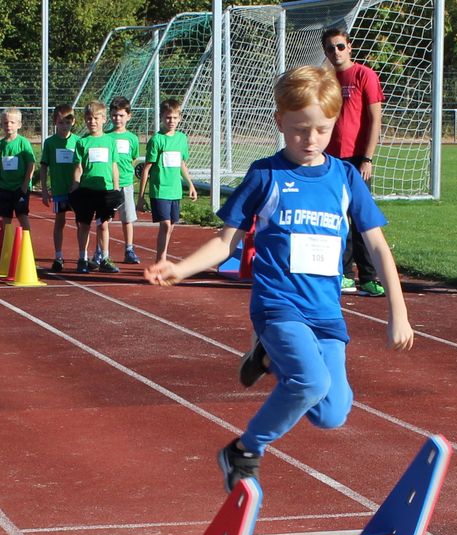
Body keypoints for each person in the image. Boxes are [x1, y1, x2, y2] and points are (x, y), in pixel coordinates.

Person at [144, 65, 414, 493]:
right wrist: (180, 268)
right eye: (299, 130)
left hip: (326, 312)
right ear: (279, 122)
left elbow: (378, 247)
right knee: (311, 382)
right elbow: (225, 243)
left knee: (332, 413)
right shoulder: (266, 175)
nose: (311, 140)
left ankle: (268, 358)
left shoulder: (345, 178)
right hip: (278, 306)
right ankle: (244, 451)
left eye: (322, 130)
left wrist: (398, 313)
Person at [322, 26, 385, 297]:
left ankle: (369, 277)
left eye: (340, 46)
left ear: (349, 47)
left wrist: (367, 158)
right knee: (338, 217)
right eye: (330, 48)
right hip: (331, 159)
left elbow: (375, 120)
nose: (336, 52)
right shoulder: (326, 80)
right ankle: (345, 274)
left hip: (357, 159)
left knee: (361, 218)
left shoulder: (364, 75)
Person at [136, 98, 197, 262]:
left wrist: (190, 184)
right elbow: (147, 168)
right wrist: (141, 197)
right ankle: (160, 260)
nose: (171, 121)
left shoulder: (181, 139)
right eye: (168, 117)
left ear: (180, 118)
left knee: (171, 226)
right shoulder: (157, 140)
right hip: (160, 190)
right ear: (162, 117)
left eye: (175, 118)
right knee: (165, 224)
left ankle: (161, 258)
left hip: (175, 190)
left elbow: (182, 164)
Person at [69, 100, 122, 274]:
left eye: (96, 118)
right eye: (89, 118)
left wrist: (116, 188)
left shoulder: (110, 141)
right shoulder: (82, 142)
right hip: (86, 190)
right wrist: (75, 186)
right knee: (84, 225)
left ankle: (104, 258)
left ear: (104, 119)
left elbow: (114, 166)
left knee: (103, 225)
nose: (92, 122)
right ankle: (82, 258)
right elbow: (78, 167)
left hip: (105, 190)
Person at [91, 96, 141, 267]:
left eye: (121, 115)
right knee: (103, 221)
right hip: (108, 184)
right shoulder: (106, 137)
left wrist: (124, 174)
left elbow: (133, 158)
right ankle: (99, 251)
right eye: (114, 115)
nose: (117, 119)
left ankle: (129, 249)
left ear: (128, 116)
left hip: (125, 183)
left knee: (127, 218)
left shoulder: (132, 138)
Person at [40, 104, 80, 272]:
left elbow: (82, 165)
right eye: (61, 123)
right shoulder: (50, 143)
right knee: (60, 221)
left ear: (73, 122)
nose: (64, 126)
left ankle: (83, 257)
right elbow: (44, 166)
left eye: (68, 123)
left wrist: (78, 182)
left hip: (77, 190)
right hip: (59, 189)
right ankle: (58, 256)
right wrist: (44, 189)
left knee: (81, 222)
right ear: (55, 122)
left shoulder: (78, 141)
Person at [0, 107, 35, 233]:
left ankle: (27, 242)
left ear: (19, 125)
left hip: (20, 187)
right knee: (5, 218)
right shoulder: (1, 144)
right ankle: (6, 243)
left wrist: (25, 185)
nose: (8, 125)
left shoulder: (23, 143)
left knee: (22, 216)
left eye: (12, 122)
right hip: (4, 188)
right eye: (5, 122)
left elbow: (31, 164)